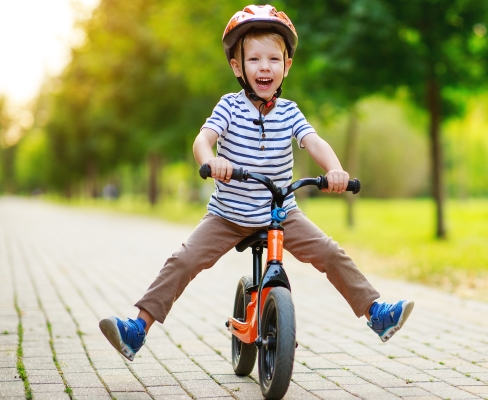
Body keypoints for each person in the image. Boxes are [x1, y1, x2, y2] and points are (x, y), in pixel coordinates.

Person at [99, 4, 413, 362]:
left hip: (281, 213)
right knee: (183, 260)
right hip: (227, 214)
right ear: (238, 67)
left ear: (286, 66)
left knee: (330, 252)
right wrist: (211, 160)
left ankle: (376, 314)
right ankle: (137, 329)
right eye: (254, 60)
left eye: (273, 60)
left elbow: (314, 143)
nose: (265, 67)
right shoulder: (229, 107)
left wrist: (336, 170)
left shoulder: (291, 111)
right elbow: (202, 141)